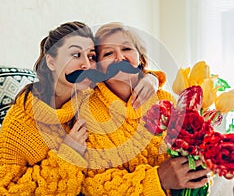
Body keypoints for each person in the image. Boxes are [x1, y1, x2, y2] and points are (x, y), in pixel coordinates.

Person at [0, 21, 161, 196]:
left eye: (91, 56)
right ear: (51, 62)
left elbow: (122, 72)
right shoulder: (22, 120)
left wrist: (151, 78)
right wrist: (67, 154)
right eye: (75, 54)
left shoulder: (87, 92)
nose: (86, 65)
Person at [76, 22, 211, 195]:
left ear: (140, 59)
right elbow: (92, 184)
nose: (119, 58)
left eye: (126, 49)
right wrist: (158, 179)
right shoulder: (88, 112)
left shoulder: (165, 100)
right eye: (109, 53)